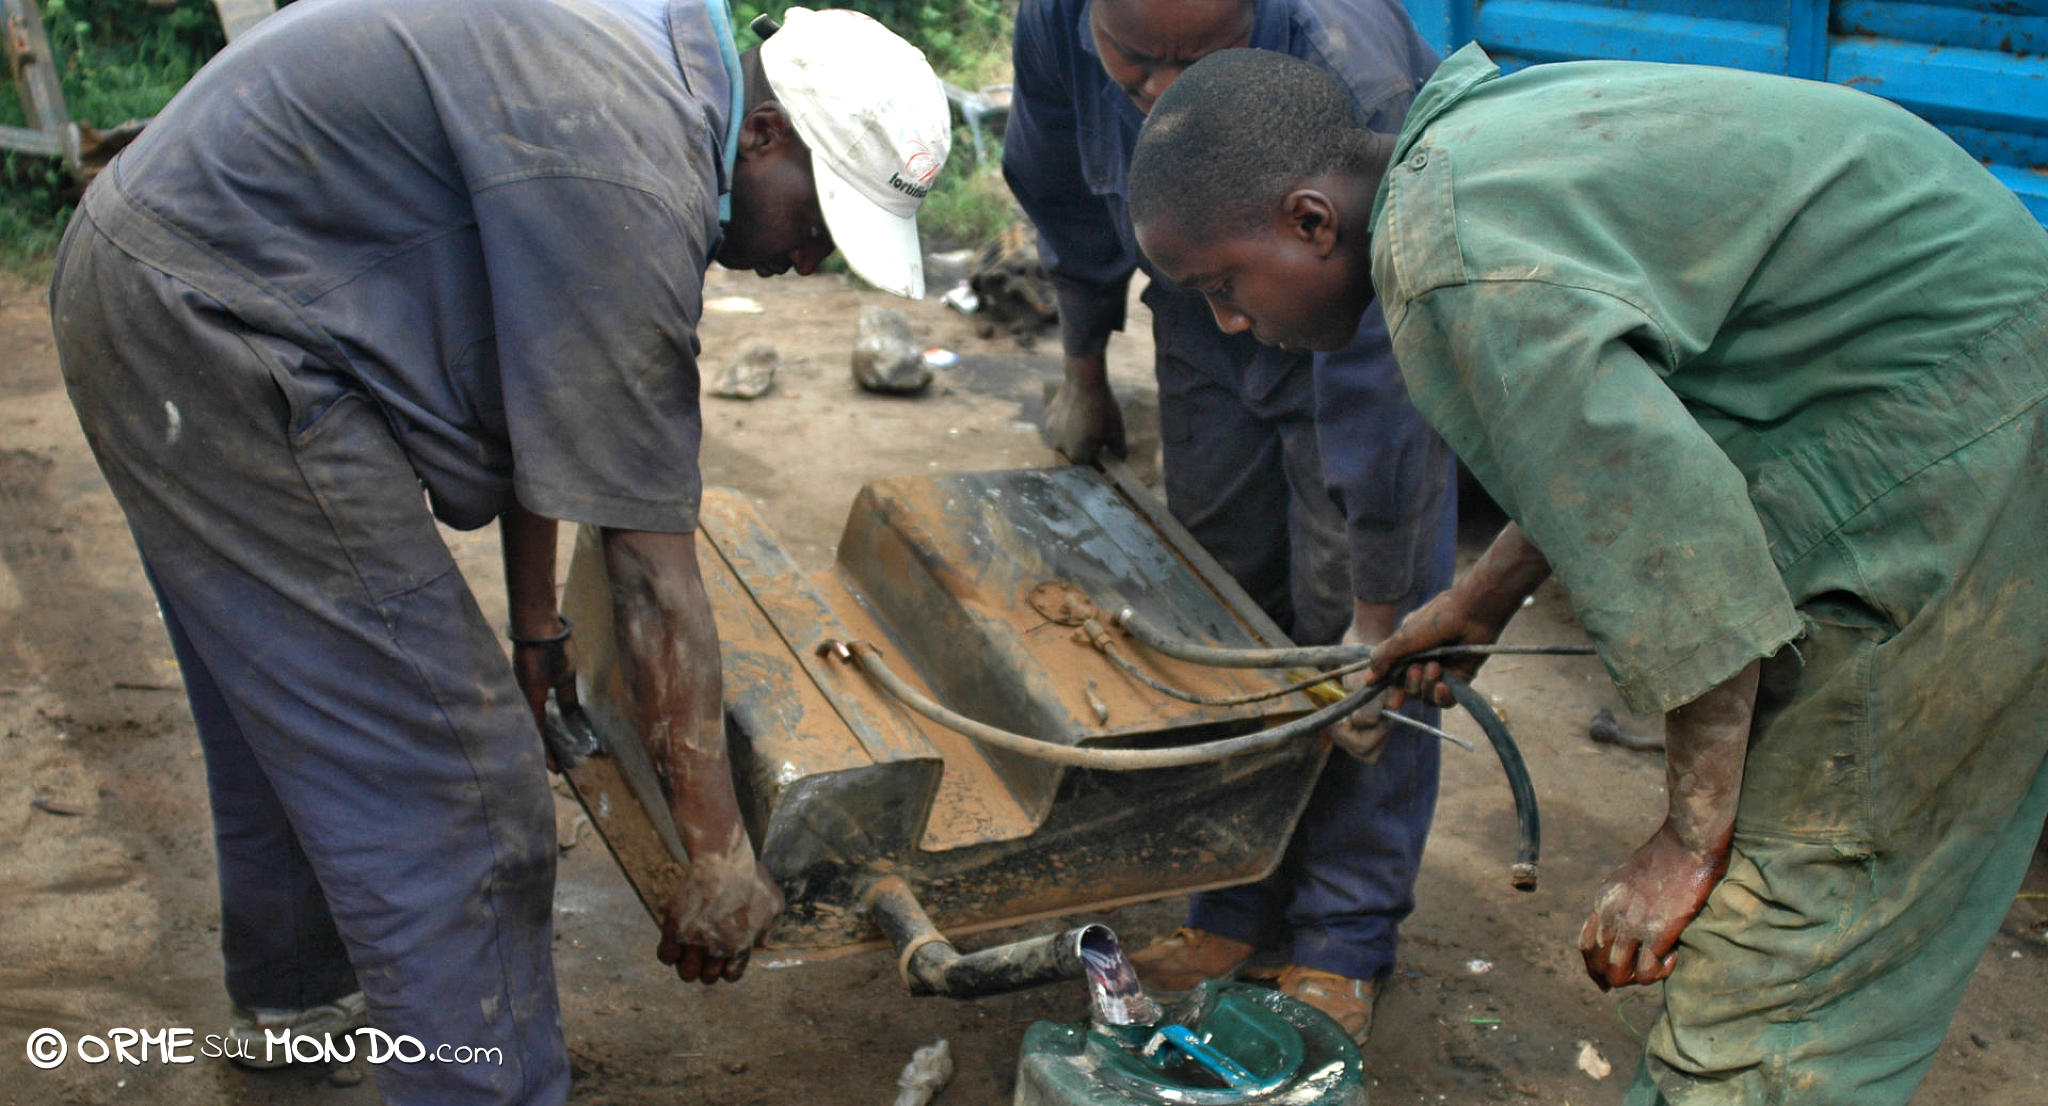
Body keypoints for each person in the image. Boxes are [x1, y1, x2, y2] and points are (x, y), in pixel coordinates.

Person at [48, 2, 950, 1102]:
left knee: (294, 692)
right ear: (763, 134)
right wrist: (716, 852)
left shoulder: (648, 62)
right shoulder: (634, 171)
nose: (808, 263)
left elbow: (545, 391)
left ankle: (297, 1002)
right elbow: (652, 575)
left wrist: (537, 633)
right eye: (816, 221)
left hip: (160, 275)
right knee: (461, 789)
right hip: (222, 327)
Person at [1127, 45, 2048, 1105]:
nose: (1231, 322)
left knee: (1783, 974)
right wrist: (1482, 596)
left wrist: (1686, 838)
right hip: (1948, 402)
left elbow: (1672, 544)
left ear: (1307, 221)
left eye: (1220, 286)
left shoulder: (1448, 262)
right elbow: (1611, 443)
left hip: (1962, 464)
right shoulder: (1474, 148)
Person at [1003, 0, 1458, 1040]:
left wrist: (1378, 614)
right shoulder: (1051, 22)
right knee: (1212, 600)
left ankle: (1342, 933)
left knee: (1351, 631)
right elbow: (1061, 197)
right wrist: (1082, 367)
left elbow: (1385, 381)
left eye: (1196, 62)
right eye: (1131, 70)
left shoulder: (1356, 75)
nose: (1162, 97)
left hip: (1360, 320)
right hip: (1203, 316)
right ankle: (1230, 897)